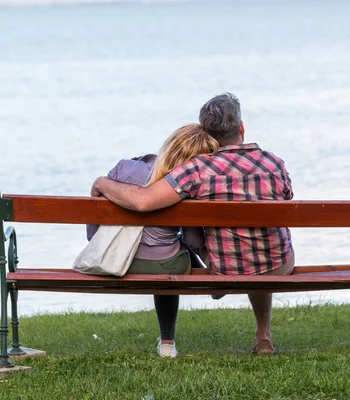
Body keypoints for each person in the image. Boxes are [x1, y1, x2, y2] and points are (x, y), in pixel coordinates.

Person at [91, 93, 294, 355]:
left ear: (206, 134)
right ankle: (263, 335)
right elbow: (287, 199)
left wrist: (102, 183)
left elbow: (143, 202)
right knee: (260, 240)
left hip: (227, 268)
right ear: (241, 128)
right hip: (277, 265)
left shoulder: (197, 169)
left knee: (236, 245)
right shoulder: (274, 162)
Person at [87, 124, 218, 358]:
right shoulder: (189, 183)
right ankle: (167, 343)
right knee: (174, 255)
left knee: (170, 250)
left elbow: (95, 223)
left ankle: (209, 282)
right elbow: (191, 238)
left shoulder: (123, 169)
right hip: (164, 266)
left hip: (116, 262)